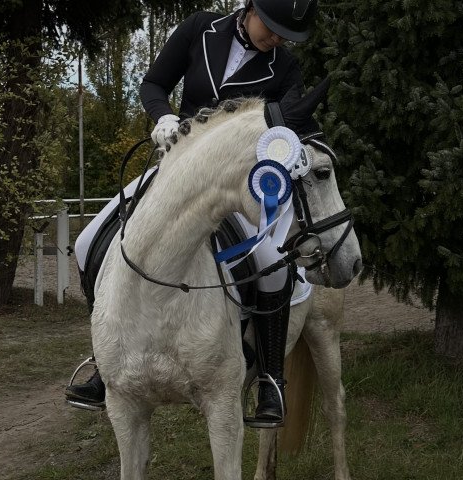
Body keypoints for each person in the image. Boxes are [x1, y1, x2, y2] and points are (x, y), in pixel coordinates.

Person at [66, 0, 318, 427]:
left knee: (272, 264)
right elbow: (153, 83)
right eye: (271, 27)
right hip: (175, 169)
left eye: (283, 35)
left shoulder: (286, 69)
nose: (274, 39)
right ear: (250, 7)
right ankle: (103, 360)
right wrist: (162, 116)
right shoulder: (201, 27)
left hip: (233, 184)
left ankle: (270, 380)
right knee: (89, 241)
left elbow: (287, 128)